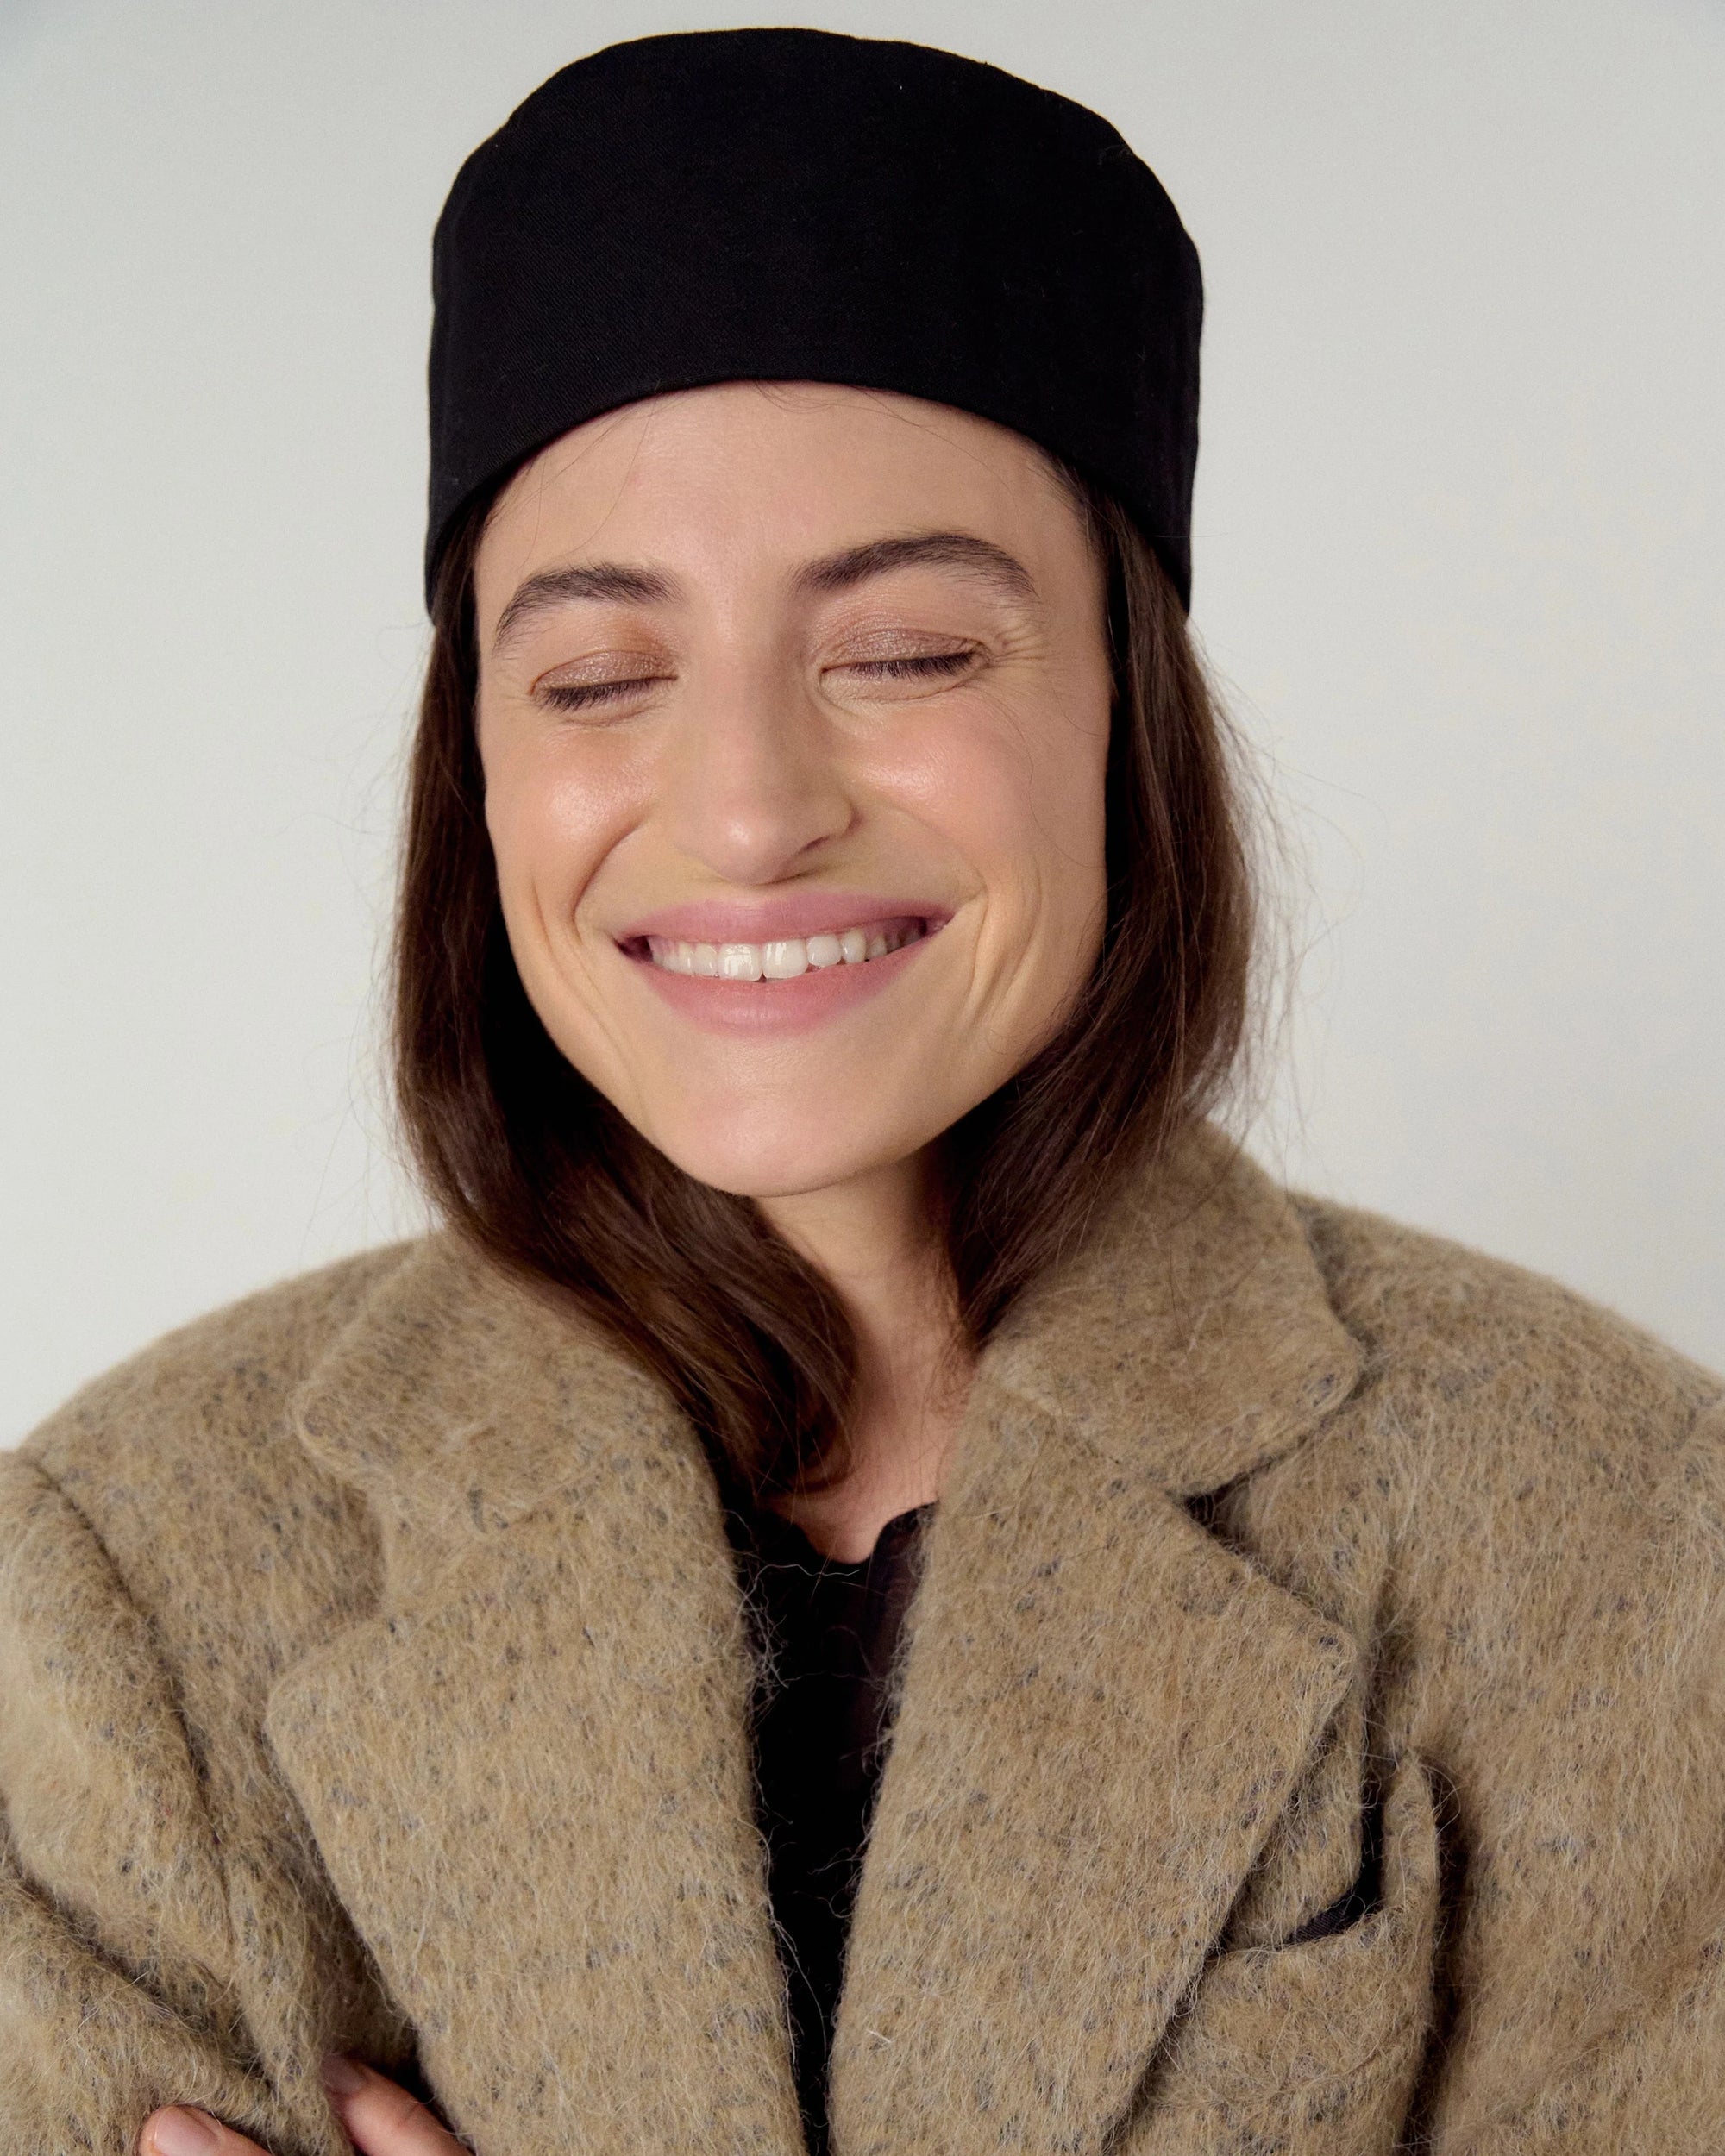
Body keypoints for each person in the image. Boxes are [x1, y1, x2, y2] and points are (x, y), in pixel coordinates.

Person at [2, 28, 1720, 2156]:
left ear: (1123, 717)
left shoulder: (1621, 1537)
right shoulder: (124, 1586)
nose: (743, 811)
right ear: (480, 773)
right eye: (600, 679)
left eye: (905, 651)